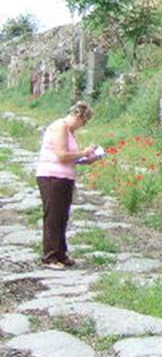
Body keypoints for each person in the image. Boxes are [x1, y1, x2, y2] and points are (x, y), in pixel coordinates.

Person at [35, 101, 98, 269]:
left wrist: (86, 159)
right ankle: (50, 256)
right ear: (78, 116)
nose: (83, 126)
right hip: (52, 176)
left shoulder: (70, 132)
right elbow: (62, 155)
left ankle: (61, 253)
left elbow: (71, 156)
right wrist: (84, 152)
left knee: (62, 216)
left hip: (64, 177)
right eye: (84, 122)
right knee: (53, 216)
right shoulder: (60, 127)